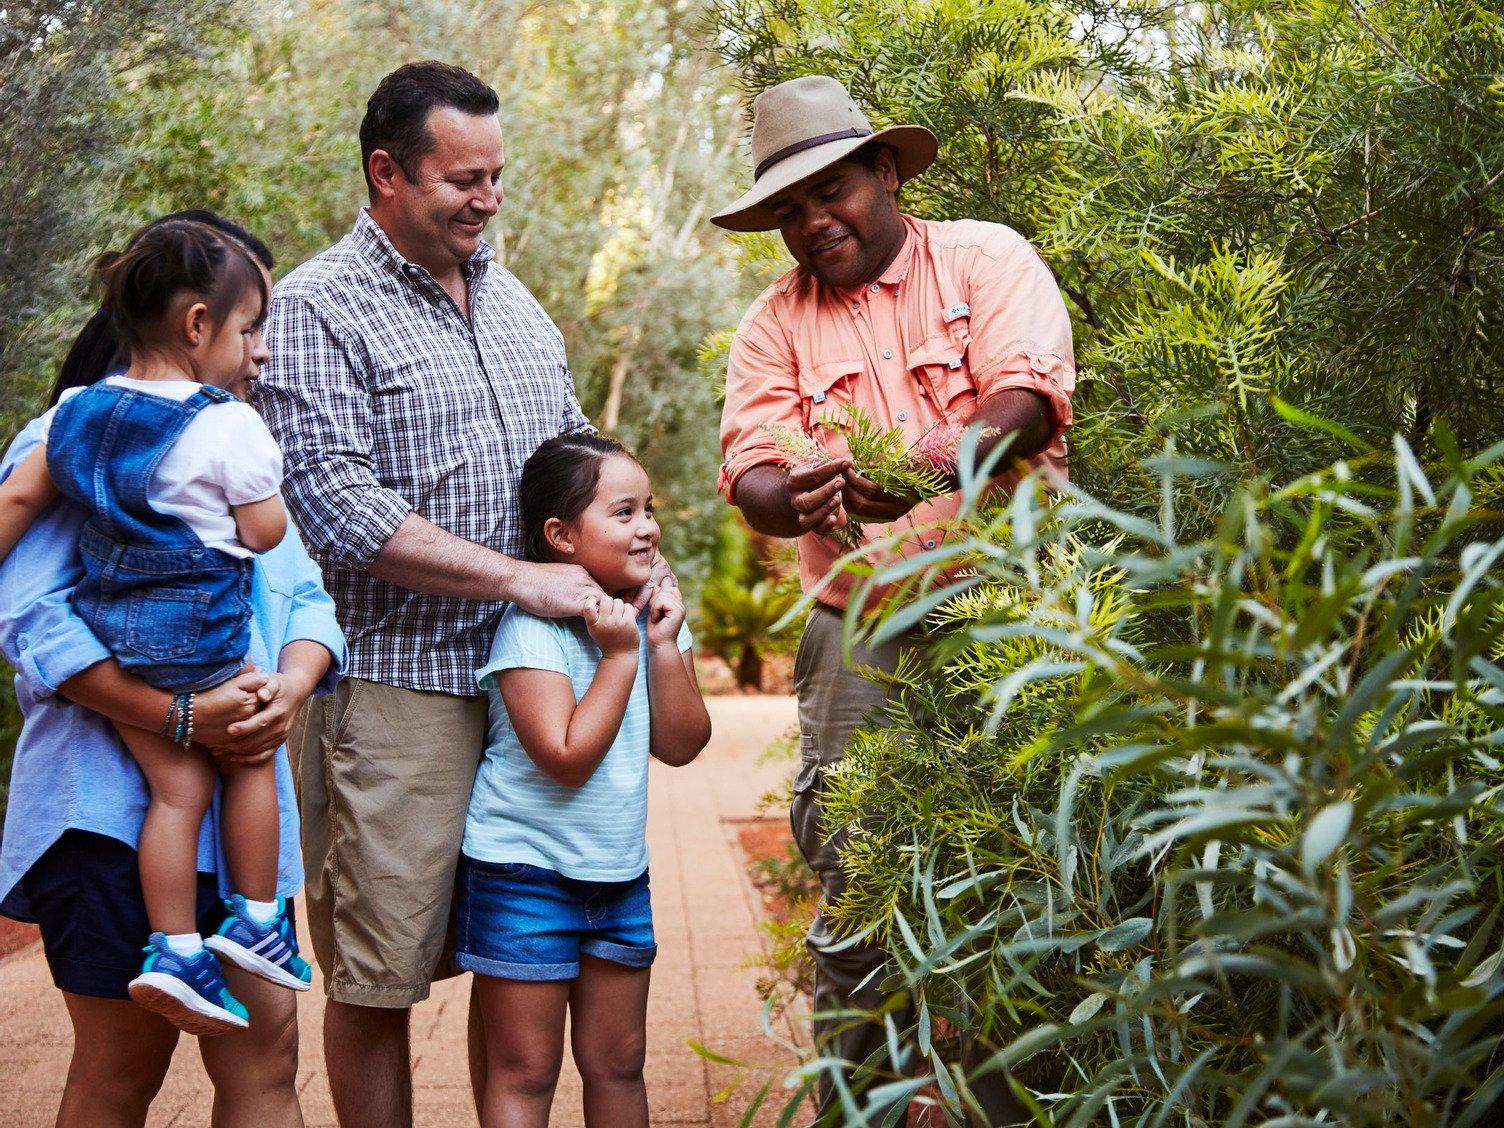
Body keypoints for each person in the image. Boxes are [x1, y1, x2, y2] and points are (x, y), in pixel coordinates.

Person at [257, 61, 665, 1126]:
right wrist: (522, 578)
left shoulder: (518, 301)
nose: (486, 202)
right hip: (404, 688)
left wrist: (632, 563)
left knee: (512, 954)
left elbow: (575, 461)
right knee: (381, 972)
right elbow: (334, 505)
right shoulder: (315, 306)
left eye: (497, 178)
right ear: (386, 173)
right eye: (462, 181)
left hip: (538, 686)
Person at [713, 75, 1077, 1124]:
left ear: (884, 172)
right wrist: (799, 492)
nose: (812, 220)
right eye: (788, 208)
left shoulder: (985, 258)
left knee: (1025, 872)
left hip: (1012, 617)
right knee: (862, 891)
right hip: (858, 627)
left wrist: (923, 464)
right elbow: (750, 477)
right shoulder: (769, 325)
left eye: (831, 190)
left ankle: (1017, 1108)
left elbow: (1025, 399)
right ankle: (856, 1110)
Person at [0, 210, 346, 1126]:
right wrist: (180, 719)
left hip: (245, 834)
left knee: (268, 1057)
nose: (261, 352)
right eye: (249, 325)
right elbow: (37, 622)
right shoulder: (76, 443)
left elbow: (303, 599)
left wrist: (292, 686)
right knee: (122, 1070)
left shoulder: (227, 441)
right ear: (191, 321)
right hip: (105, 811)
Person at [458, 432, 710, 1127]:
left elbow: (683, 744)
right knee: (527, 1070)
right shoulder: (531, 630)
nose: (649, 527)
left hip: (619, 875)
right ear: (561, 536)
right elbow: (565, 755)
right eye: (624, 512)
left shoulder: (649, 621)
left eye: (649, 509)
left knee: (619, 1063)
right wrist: (621, 658)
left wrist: (660, 644)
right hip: (523, 876)